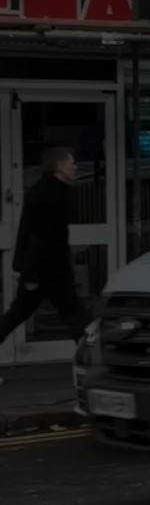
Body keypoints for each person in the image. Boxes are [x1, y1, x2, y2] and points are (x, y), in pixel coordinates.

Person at [0, 147, 89, 366]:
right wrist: (31, 275)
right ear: (59, 167)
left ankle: (90, 360)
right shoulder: (49, 196)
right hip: (47, 272)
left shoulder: (51, 191)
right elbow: (37, 237)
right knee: (75, 317)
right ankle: (92, 362)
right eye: (71, 163)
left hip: (46, 271)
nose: (75, 167)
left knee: (18, 314)